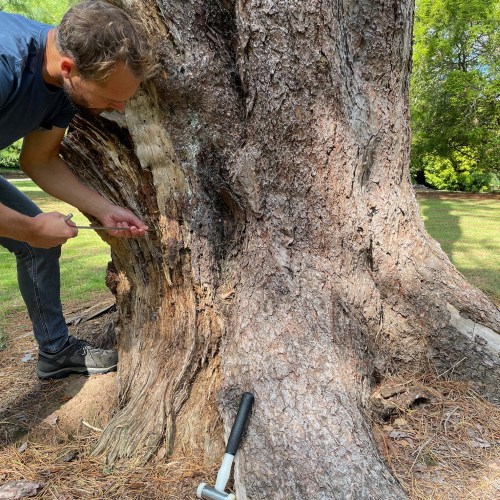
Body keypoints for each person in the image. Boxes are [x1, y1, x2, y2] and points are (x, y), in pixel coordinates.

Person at [0, 1, 156, 379]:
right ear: (69, 68)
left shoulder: (61, 83)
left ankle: (54, 352)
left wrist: (105, 210)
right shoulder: (7, 65)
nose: (117, 107)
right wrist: (32, 229)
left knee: (37, 249)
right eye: (110, 96)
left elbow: (39, 161)